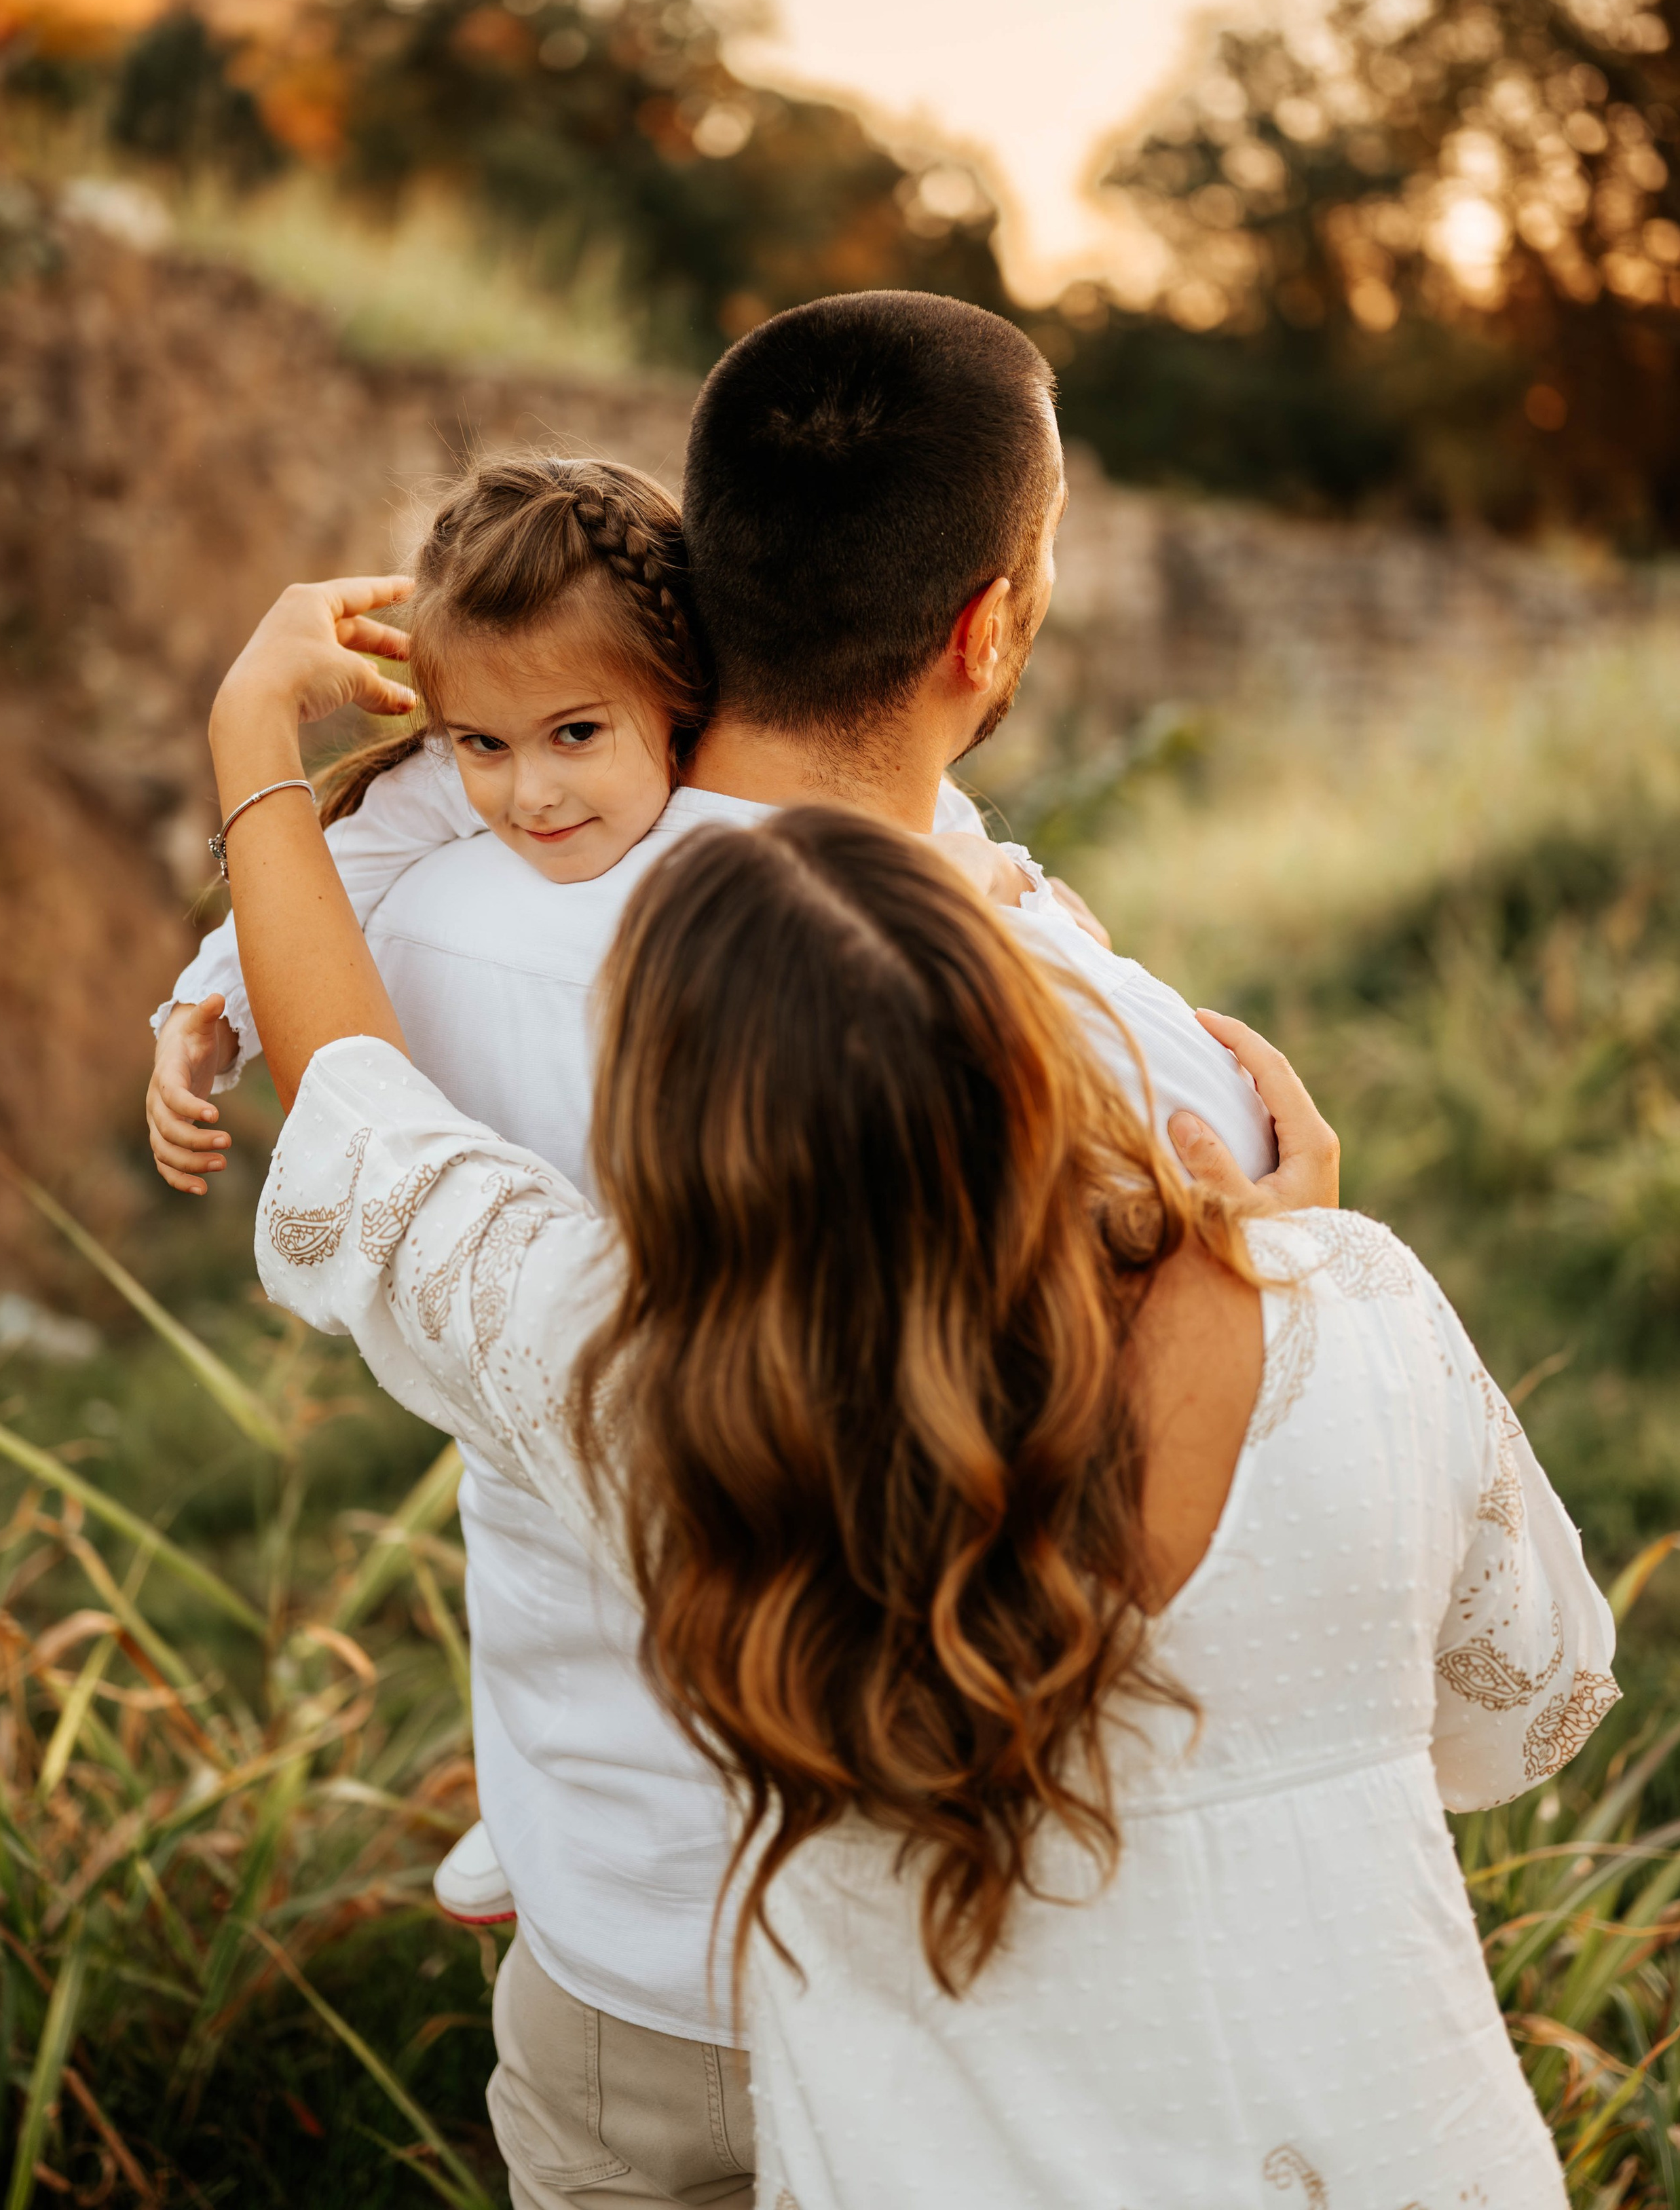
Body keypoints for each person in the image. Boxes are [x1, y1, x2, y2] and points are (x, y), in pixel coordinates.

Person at [208, 570, 1616, 2210]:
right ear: (1027, 1039)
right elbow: (1515, 1704)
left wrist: (253, 728)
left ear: (664, 1138)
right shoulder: (1346, 1300)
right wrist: (1276, 1266)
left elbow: (358, 1114)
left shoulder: (641, 1387)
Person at [148, 296, 1318, 2208]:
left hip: (617, 1954)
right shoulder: (1146, 1064)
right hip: (970, 1970)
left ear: (715, 575)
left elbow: (336, 1073)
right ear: (990, 624)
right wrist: (1308, 1254)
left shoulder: (424, 930)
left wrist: (247, 740)